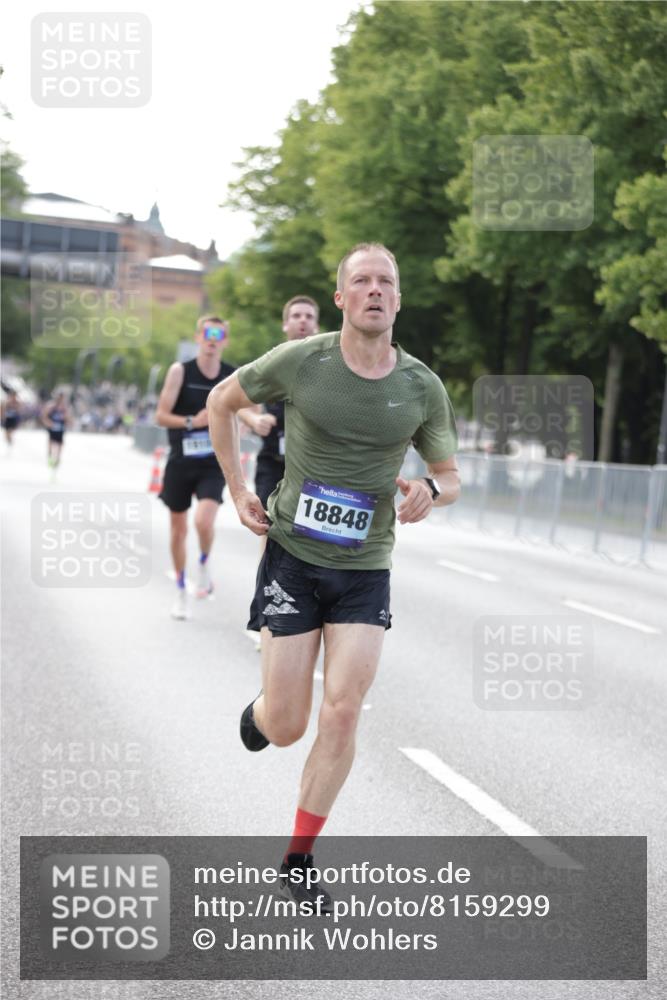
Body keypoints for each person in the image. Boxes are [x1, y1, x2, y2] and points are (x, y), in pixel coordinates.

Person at [208, 243, 460, 911]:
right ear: (342, 297)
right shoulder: (303, 360)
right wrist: (238, 491)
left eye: (386, 281)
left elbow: (451, 477)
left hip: (364, 570)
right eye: (361, 281)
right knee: (288, 725)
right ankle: (263, 712)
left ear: (397, 300)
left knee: (344, 711)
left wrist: (428, 493)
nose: (375, 290)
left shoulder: (420, 387)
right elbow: (220, 401)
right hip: (293, 556)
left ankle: (297, 859)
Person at [155, 315, 238, 620]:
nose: (212, 340)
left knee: (204, 522)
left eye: (218, 335)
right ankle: (180, 590)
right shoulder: (180, 371)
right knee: (177, 530)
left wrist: (253, 421)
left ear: (225, 340)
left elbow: (246, 410)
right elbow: (161, 415)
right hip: (180, 460)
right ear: (198, 337)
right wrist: (193, 421)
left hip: (212, 463)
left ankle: (203, 561)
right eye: (207, 334)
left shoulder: (231, 376)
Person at [243, 296, 320, 531]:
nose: (302, 321)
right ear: (285, 324)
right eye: (296, 316)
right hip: (273, 461)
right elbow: (238, 403)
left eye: (309, 316)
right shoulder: (270, 364)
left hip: (314, 465)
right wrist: (255, 419)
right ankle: (267, 569)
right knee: (268, 527)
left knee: (307, 534)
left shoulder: (328, 367)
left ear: (316, 326)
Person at [41, 391, 71, 472]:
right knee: (51, 442)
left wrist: (67, 422)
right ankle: (50, 457)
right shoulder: (51, 406)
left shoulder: (65, 408)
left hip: (60, 428)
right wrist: (48, 423)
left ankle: (58, 458)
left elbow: (68, 418)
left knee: (60, 444)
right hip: (52, 428)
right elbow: (44, 416)